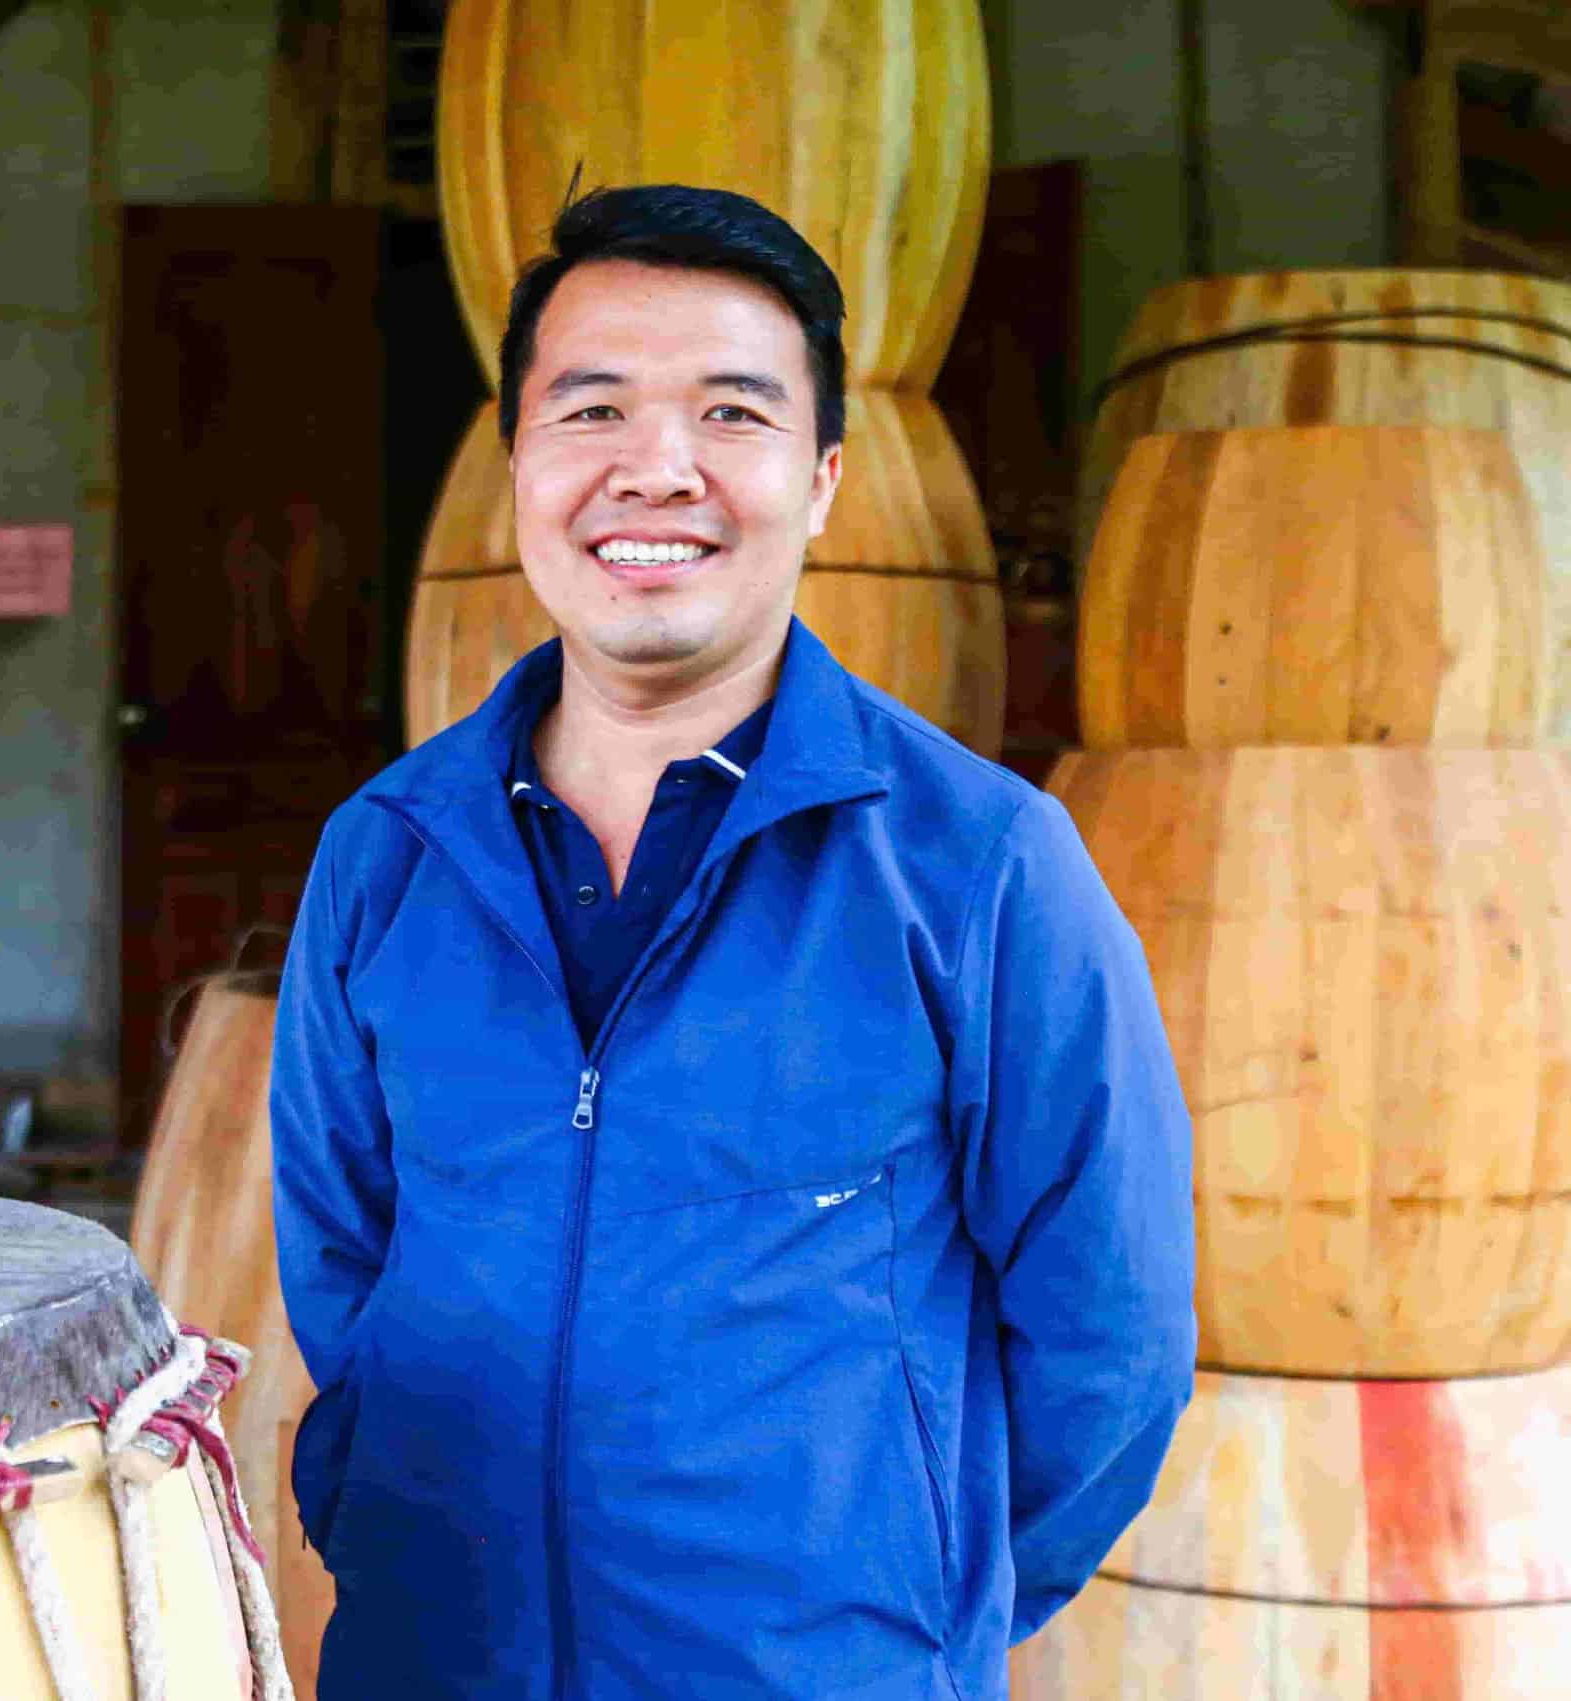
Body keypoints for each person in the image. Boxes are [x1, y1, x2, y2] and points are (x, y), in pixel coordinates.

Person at [269, 185, 1195, 1700]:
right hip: (434, 1661)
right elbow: (342, 1257)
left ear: (822, 478)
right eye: (593, 409)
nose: (658, 468)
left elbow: (1115, 1337)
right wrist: (397, 1523)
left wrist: (913, 1605)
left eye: (731, 411)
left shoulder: (979, 868)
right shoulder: (387, 853)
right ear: (517, 460)